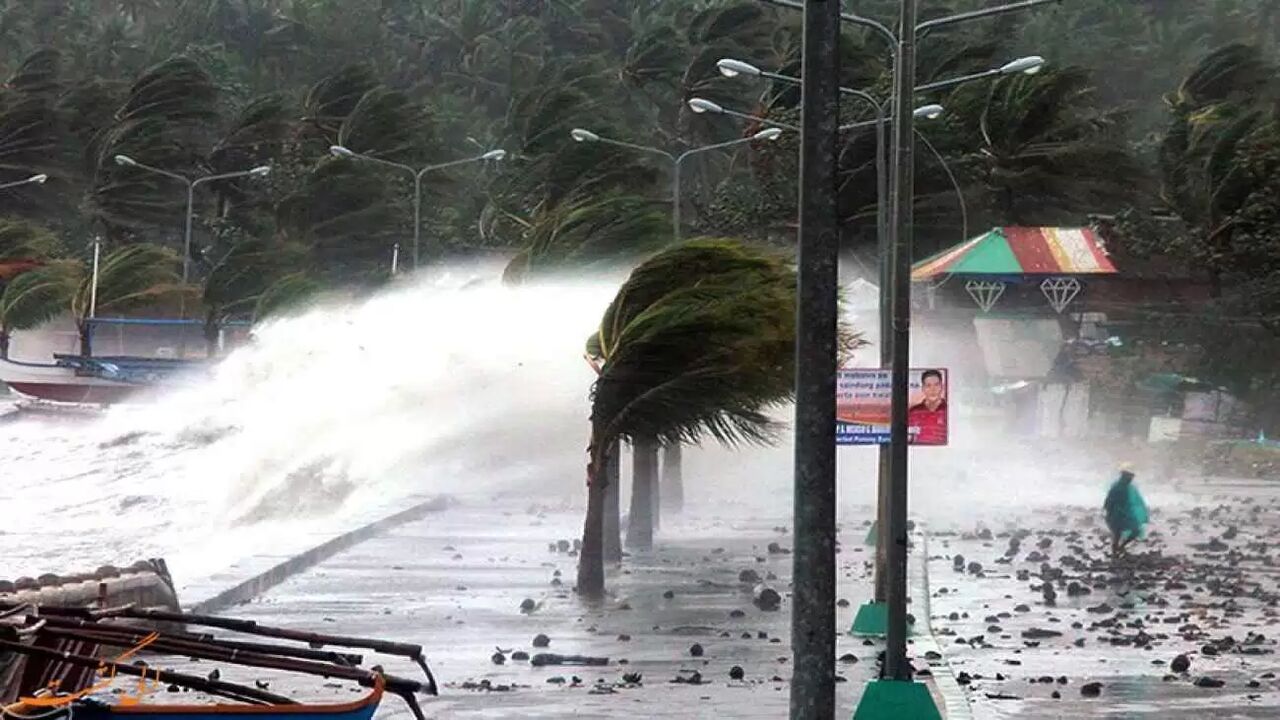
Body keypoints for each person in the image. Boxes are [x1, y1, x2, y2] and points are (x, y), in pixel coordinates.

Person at [1104, 465, 1149, 556]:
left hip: (1127, 514)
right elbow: (1109, 501)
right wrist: (1109, 513)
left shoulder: (1130, 488)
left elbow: (1137, 501)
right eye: (1128, 477)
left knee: (1135, 531)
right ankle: (1115, 552)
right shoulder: (1117, 487)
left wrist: (1141, 513)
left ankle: (1121, 547)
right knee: (1117, 534)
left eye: (1131, 477)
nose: (1130, 479)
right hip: (1116, 514)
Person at [908, 369, 948, 444]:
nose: (933, 390)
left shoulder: (948, 411)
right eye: (928, 386)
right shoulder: (913, 412)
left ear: (942, 387)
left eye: (936, 385)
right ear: (923, 389)